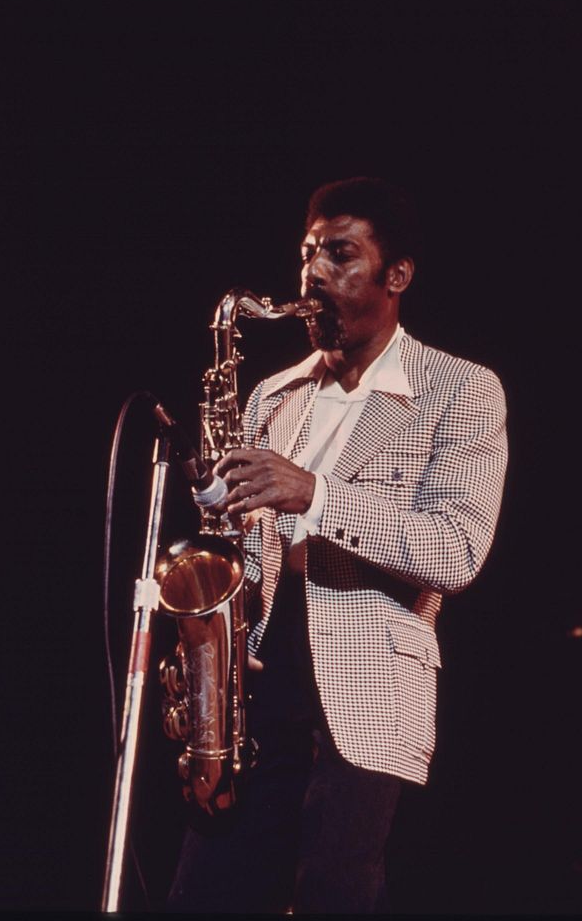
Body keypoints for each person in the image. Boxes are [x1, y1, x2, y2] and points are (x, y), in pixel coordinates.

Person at [166, 176, 508, 914]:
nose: (314, 275)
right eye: (307, 255)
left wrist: (314, 493)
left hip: (367, 698)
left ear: (398, 276)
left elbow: (457, 551)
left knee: (332, 898)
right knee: (202, 895)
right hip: (254, 698)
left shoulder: (461, 390)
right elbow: (249, 553)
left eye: (341, 255)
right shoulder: (273, 395)